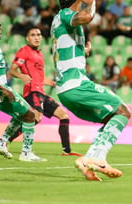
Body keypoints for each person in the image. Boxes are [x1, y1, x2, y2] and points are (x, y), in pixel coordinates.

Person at [51, 0, 130, 181]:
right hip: (76, 84)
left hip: (65, 90)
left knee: (111, 117)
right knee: (123, 111)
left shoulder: (58, 21)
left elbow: (62, 48)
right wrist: (92, 4)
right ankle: (98, 158)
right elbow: (87, 17)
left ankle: (89, 160)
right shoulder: (65, 15)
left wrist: (82, 51)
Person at [0, 14, 46, 162]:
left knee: (23, 115)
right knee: (30, 115)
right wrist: (3, 89)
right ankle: (26, 153)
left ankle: (2, 143)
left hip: (1, 90)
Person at [8, 27, 81, 156]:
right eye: (33, 35)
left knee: (64, 116)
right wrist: (21, 76)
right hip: (32, 92)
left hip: (40, 92)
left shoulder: (40, 54)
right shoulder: (24, 51)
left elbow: (39, 78)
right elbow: (12, 70)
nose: (36, 37)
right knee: (36, 118)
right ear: (27, 38)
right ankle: (6, 141)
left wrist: (53, 83)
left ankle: (67, 151)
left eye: (39, 35)